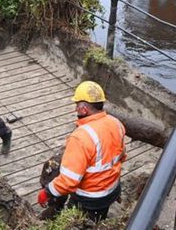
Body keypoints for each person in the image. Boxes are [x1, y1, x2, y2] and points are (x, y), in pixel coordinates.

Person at [36, 81, 126, 222]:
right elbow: (121, 155)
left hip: (90, 198)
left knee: (77, 222)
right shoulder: (116, 123)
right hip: (112, 190)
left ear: (84, 109)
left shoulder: (81, 137)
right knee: (98, 219)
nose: (75, 109)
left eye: (76, 105)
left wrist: (47, 192)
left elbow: (69, 181)